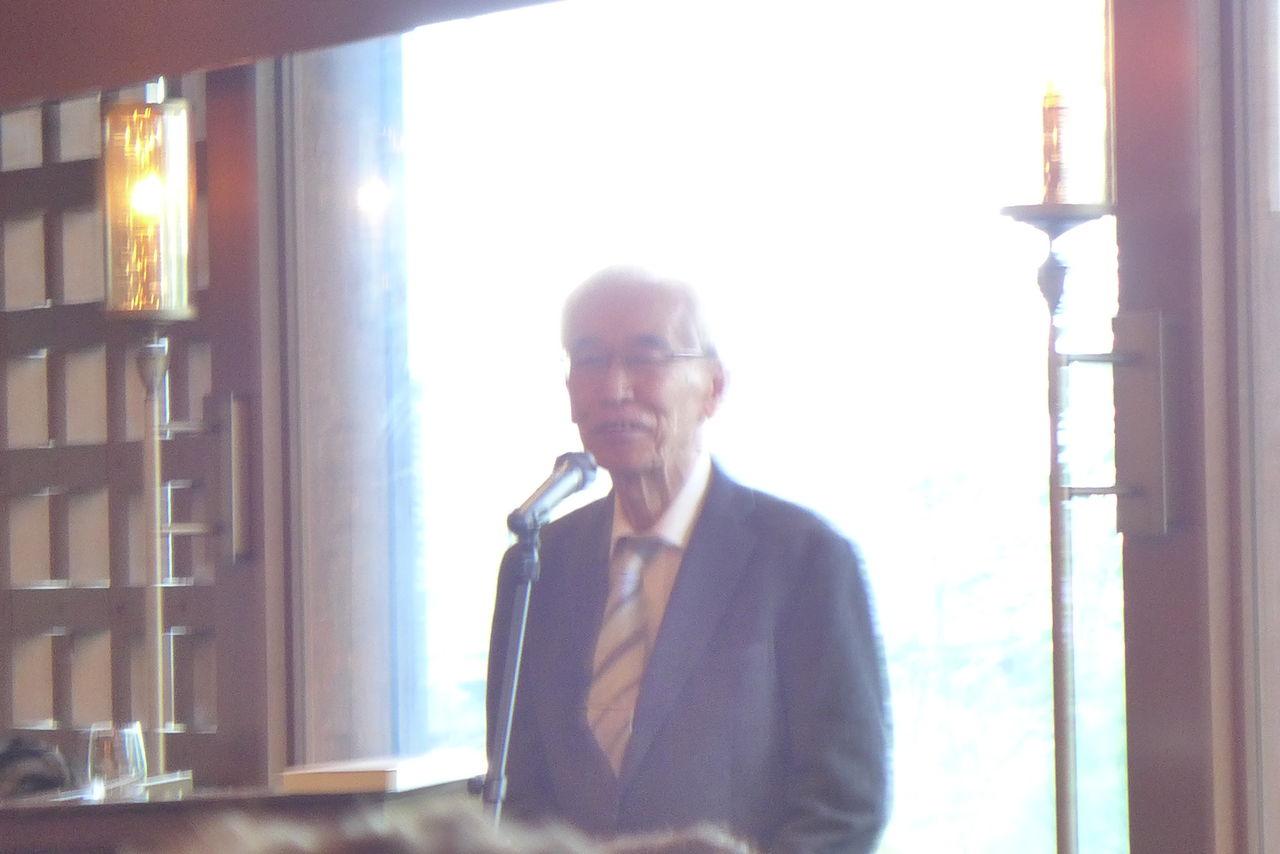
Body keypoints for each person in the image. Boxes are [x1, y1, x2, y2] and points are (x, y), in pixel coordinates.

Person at [487, 267, 890, 853]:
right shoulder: (537, 565)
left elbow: (843, 806)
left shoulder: (804, 558)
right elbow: (519, 795)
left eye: (646, 358)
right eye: (591, 360)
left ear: (714, 387)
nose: (614, 388)